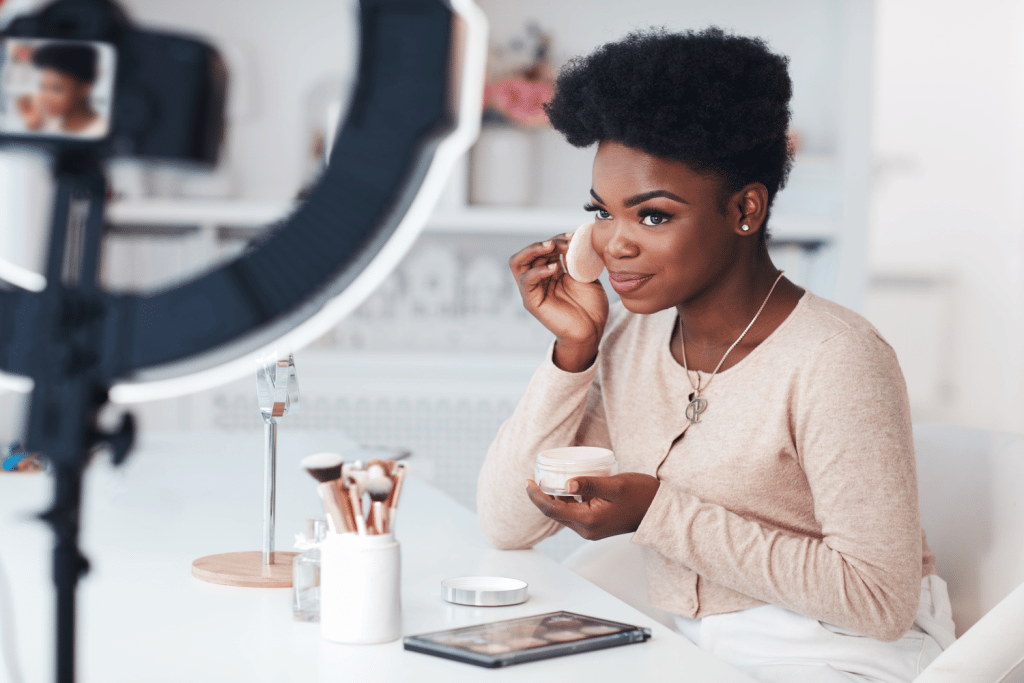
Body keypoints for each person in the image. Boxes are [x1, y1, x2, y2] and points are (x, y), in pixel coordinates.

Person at [476, 28, 956, 683]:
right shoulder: (632, 342)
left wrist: (657, 512)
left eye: (652, 216)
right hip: (701, 652)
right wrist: (573, 353)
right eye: (603, 212)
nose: (614, 244)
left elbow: (879, 598)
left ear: (745, 209)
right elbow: (507, 521)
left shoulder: (838, 360)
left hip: (846, 656)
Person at [16, 43, 107, 137]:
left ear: (84, 89)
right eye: (43, 87)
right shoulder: (47, 122)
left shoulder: (101, 133)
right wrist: (33, 126)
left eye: (56, 89)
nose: (45, 97)